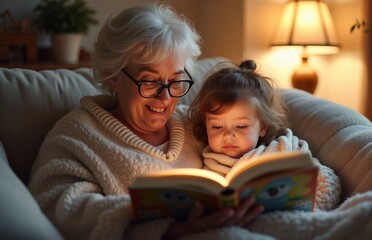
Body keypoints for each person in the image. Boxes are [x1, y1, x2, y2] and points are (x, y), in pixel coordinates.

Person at [28, 4, 263, 240]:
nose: (166, 97)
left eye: (175, 81)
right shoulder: (77, 134)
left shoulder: (195, 124)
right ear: (113, 77)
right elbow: (59, 205)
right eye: (149, 81)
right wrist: (173, 229)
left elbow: (262, 136)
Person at [189, 59, 341, 210]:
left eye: (240, 126)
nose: (228, 135)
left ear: (263, 126)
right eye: (217, 126)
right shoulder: (208, 168)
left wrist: (315, 210)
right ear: (206, 126)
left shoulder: (283, 150)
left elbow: (325, 179)